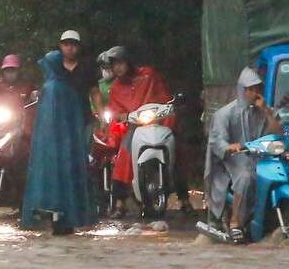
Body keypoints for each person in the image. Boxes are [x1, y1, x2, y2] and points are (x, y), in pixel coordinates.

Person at [21, 30, 102, 235]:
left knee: (74, 166)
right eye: (66, 44)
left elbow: (94, 91)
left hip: (79, 124)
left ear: (79, 47)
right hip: (57, 134)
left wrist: (101, 114)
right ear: (60, 46)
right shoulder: (51, 82)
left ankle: (70, 212)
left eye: (73, 44)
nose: (70, 48)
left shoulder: (83, 70)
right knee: (66, 168)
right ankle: (64, 212)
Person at [204, 67, 282, 234]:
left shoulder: (265, 112)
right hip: (235, 160)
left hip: (262, 157)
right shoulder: (225, 114)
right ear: (242, 90)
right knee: (246, 176)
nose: (254, 93)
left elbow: (278, 133)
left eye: (257, 89)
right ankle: (235, 221)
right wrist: (229, 146)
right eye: (250, 89)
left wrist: (266, 112)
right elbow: (217, 140)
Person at [99, 44, 174, 202]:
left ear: (128, 62)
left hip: (158, 121)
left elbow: (164, 96)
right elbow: (115, 110)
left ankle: (183, 198)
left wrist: (168, 108)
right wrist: (122, 116)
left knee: (177, 148)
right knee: (124, 154)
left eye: (120, 63)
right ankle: (120, 202)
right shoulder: (116, 88)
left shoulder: (148, 75)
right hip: (135, 126)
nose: (118, 68)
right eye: (114, 65)